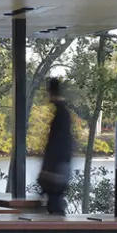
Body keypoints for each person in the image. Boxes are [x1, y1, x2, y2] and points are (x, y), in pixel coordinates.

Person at [37, 76, 79, 217]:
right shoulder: (63, 113)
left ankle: (56, 229)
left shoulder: (61, 114)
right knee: (54, 200)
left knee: (54, 201)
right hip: (61, 164)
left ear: (50, 91)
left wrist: (48, 169)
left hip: (58, 165)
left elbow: (58, 143)